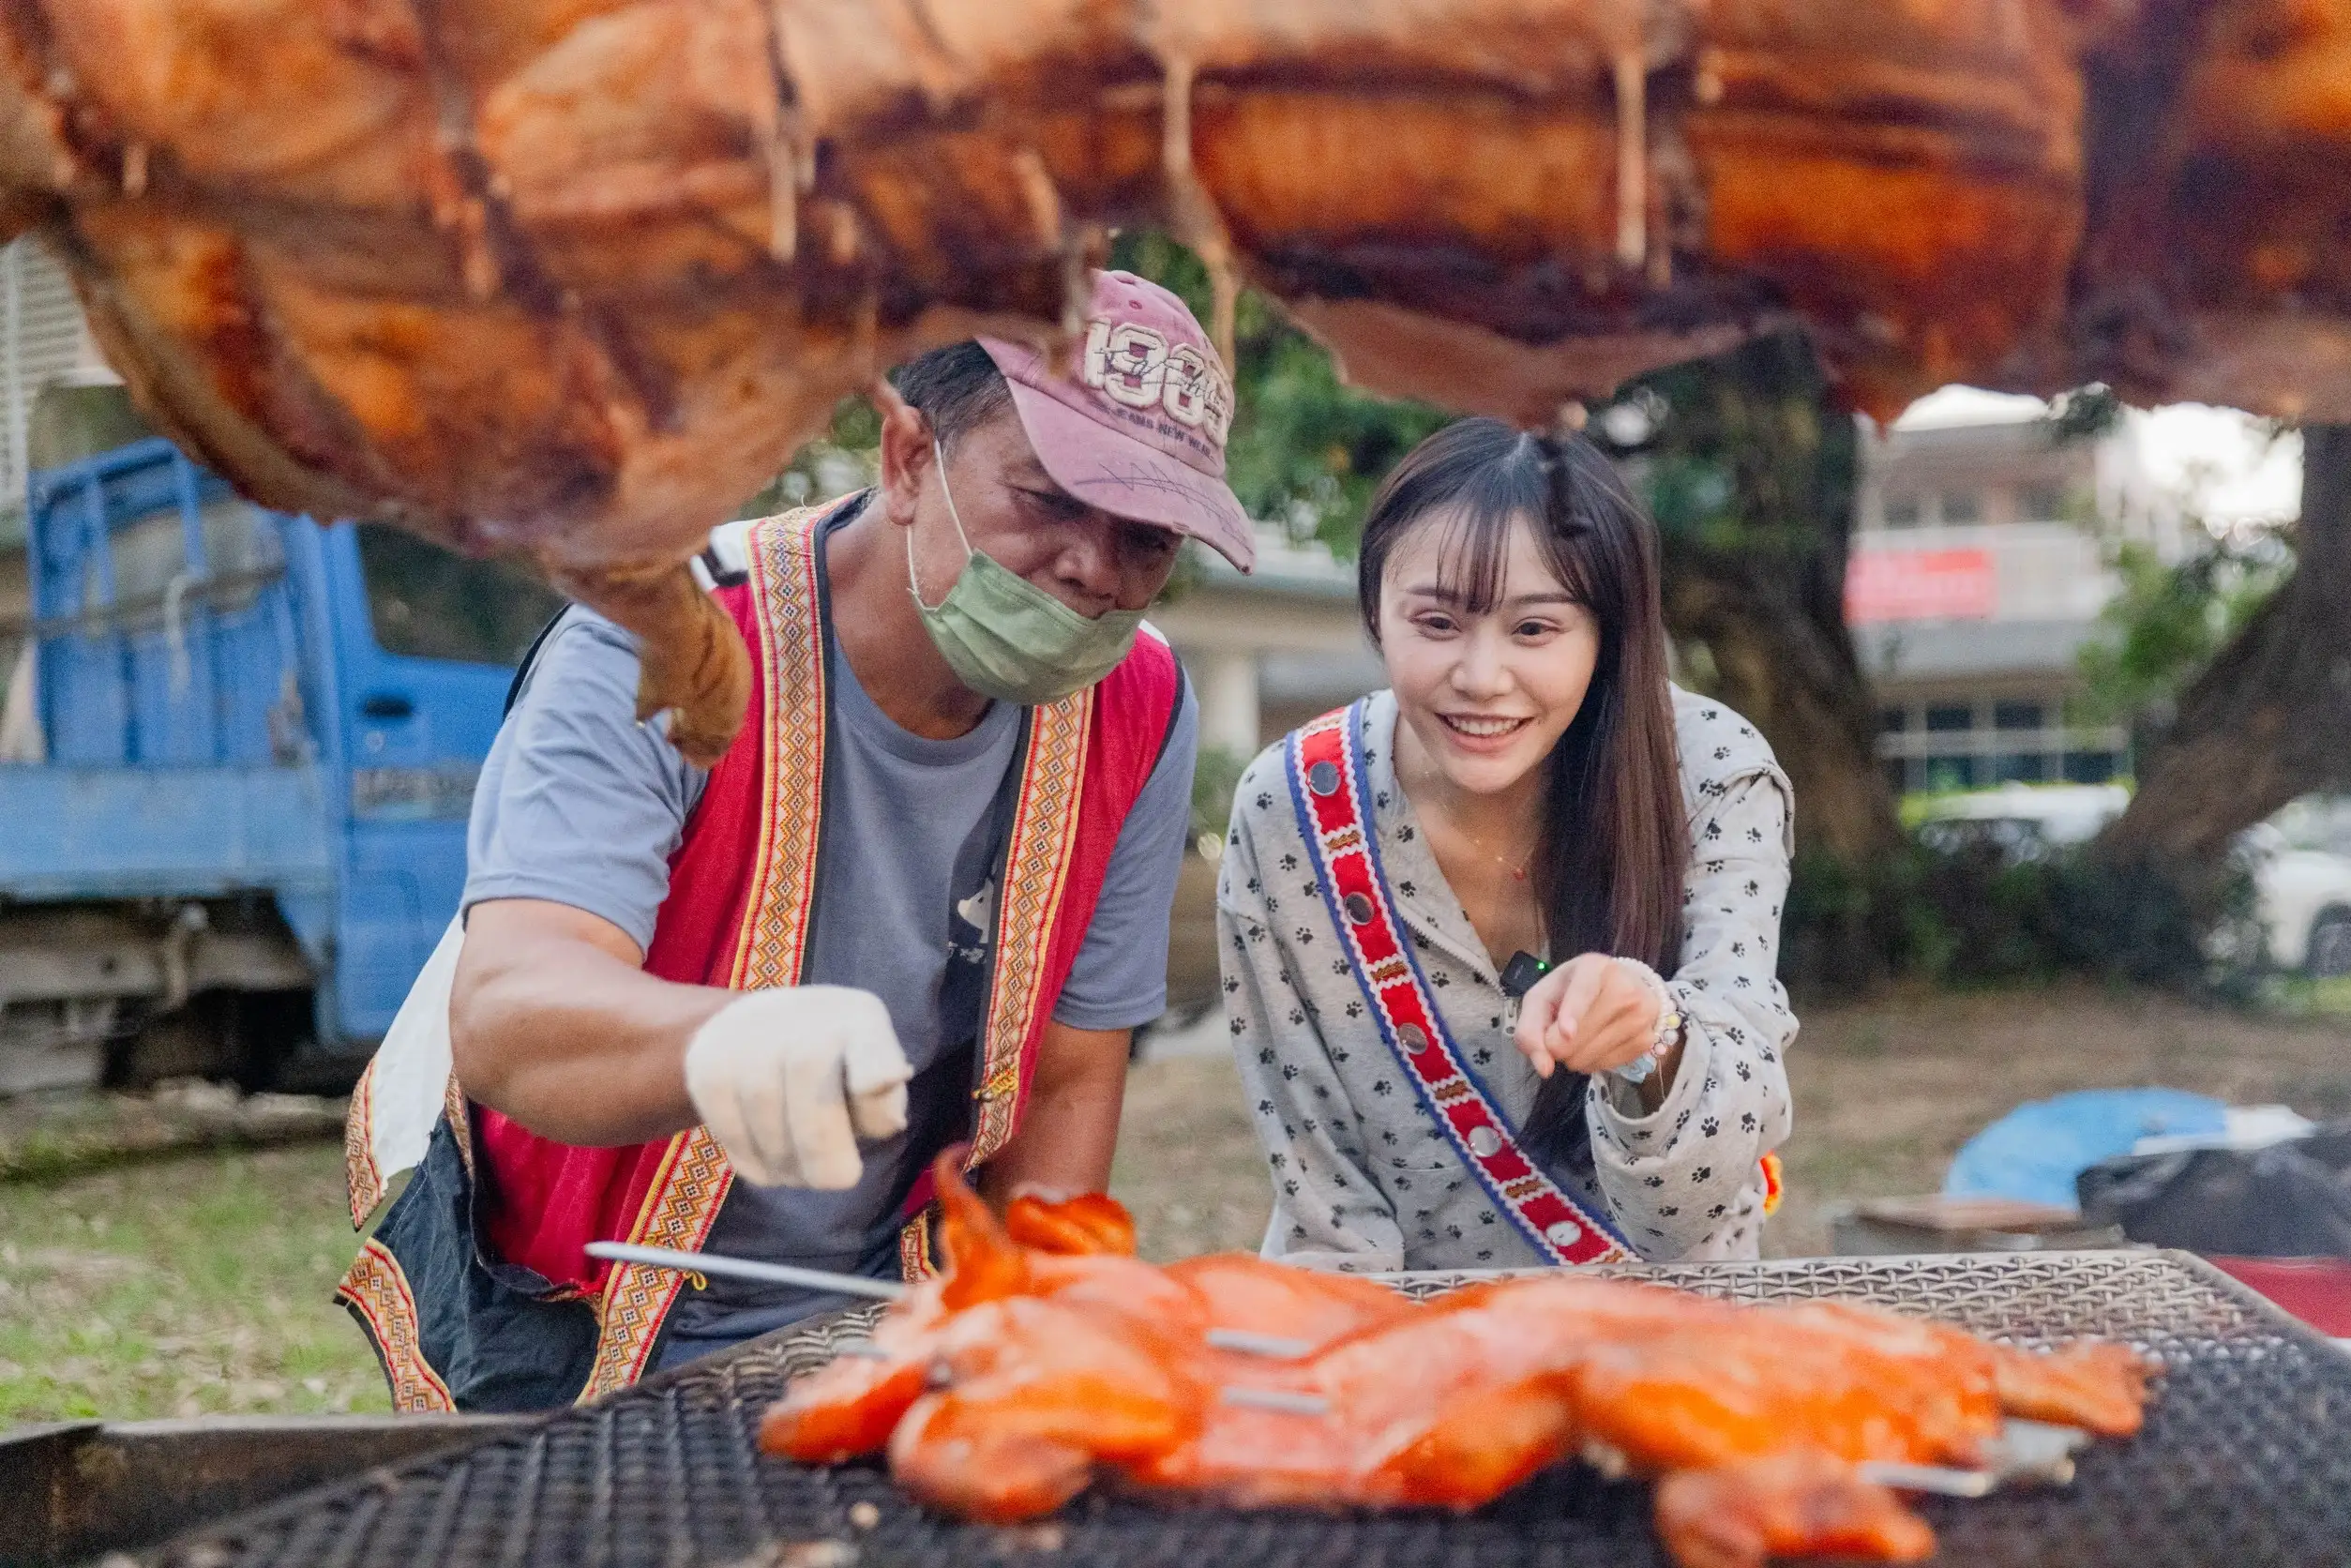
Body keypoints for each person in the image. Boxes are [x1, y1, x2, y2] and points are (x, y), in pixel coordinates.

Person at [339, 271, 1254, 1411]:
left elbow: (1068, 1080)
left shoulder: (1140, 703)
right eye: (1049, 500)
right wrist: (721, 1043)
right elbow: (509, 1013)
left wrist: (1048, 1341)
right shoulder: (661, 636)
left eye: (1146, 540)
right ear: (908, 460)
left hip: (886, 1301)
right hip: (581, 1294)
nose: (1093, 570)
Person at [1218, 417, 1793, 1273]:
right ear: (1377, 613)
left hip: (1668, 1352)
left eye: (1534, 630)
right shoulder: (1292, 808)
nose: (1482, 678)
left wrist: (1652, 1041)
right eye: (1437, 622)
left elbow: (1693, 1210)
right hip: (1406, 1356)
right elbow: (1325, 1203)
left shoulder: (1711, 774)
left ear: (1608, 638)